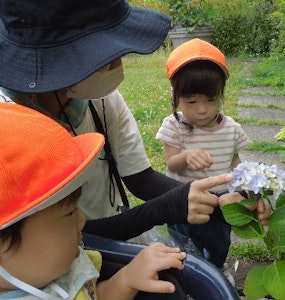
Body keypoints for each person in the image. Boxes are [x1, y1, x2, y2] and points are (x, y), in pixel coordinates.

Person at [0, 0, 270, 243]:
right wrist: (163, 208)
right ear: (60, 59)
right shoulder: (10, 126)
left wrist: (221, 202)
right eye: (106, 54)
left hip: (116, 230)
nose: (118, 63)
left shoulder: (99, 98)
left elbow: (139, 178)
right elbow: (52, 242)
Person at [0, 103, 187, 299]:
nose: (82, 221)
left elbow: (94, 295)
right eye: (69, 213)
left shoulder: (54, 269)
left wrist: (125, 280)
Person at [156, 38, 251, 285]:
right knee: (184, 243)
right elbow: (171, 164)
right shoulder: (173, 127)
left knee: (220, 241)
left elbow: (236, 162)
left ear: (221, 94)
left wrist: (246, 185)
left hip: (220, 201)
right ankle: (189, 275)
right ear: (176, 97)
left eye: (211, 100)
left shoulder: (230, 128)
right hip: (182, 199)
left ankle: (218, 267)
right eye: (192, 102)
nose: (202, 110)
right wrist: (185, 157)